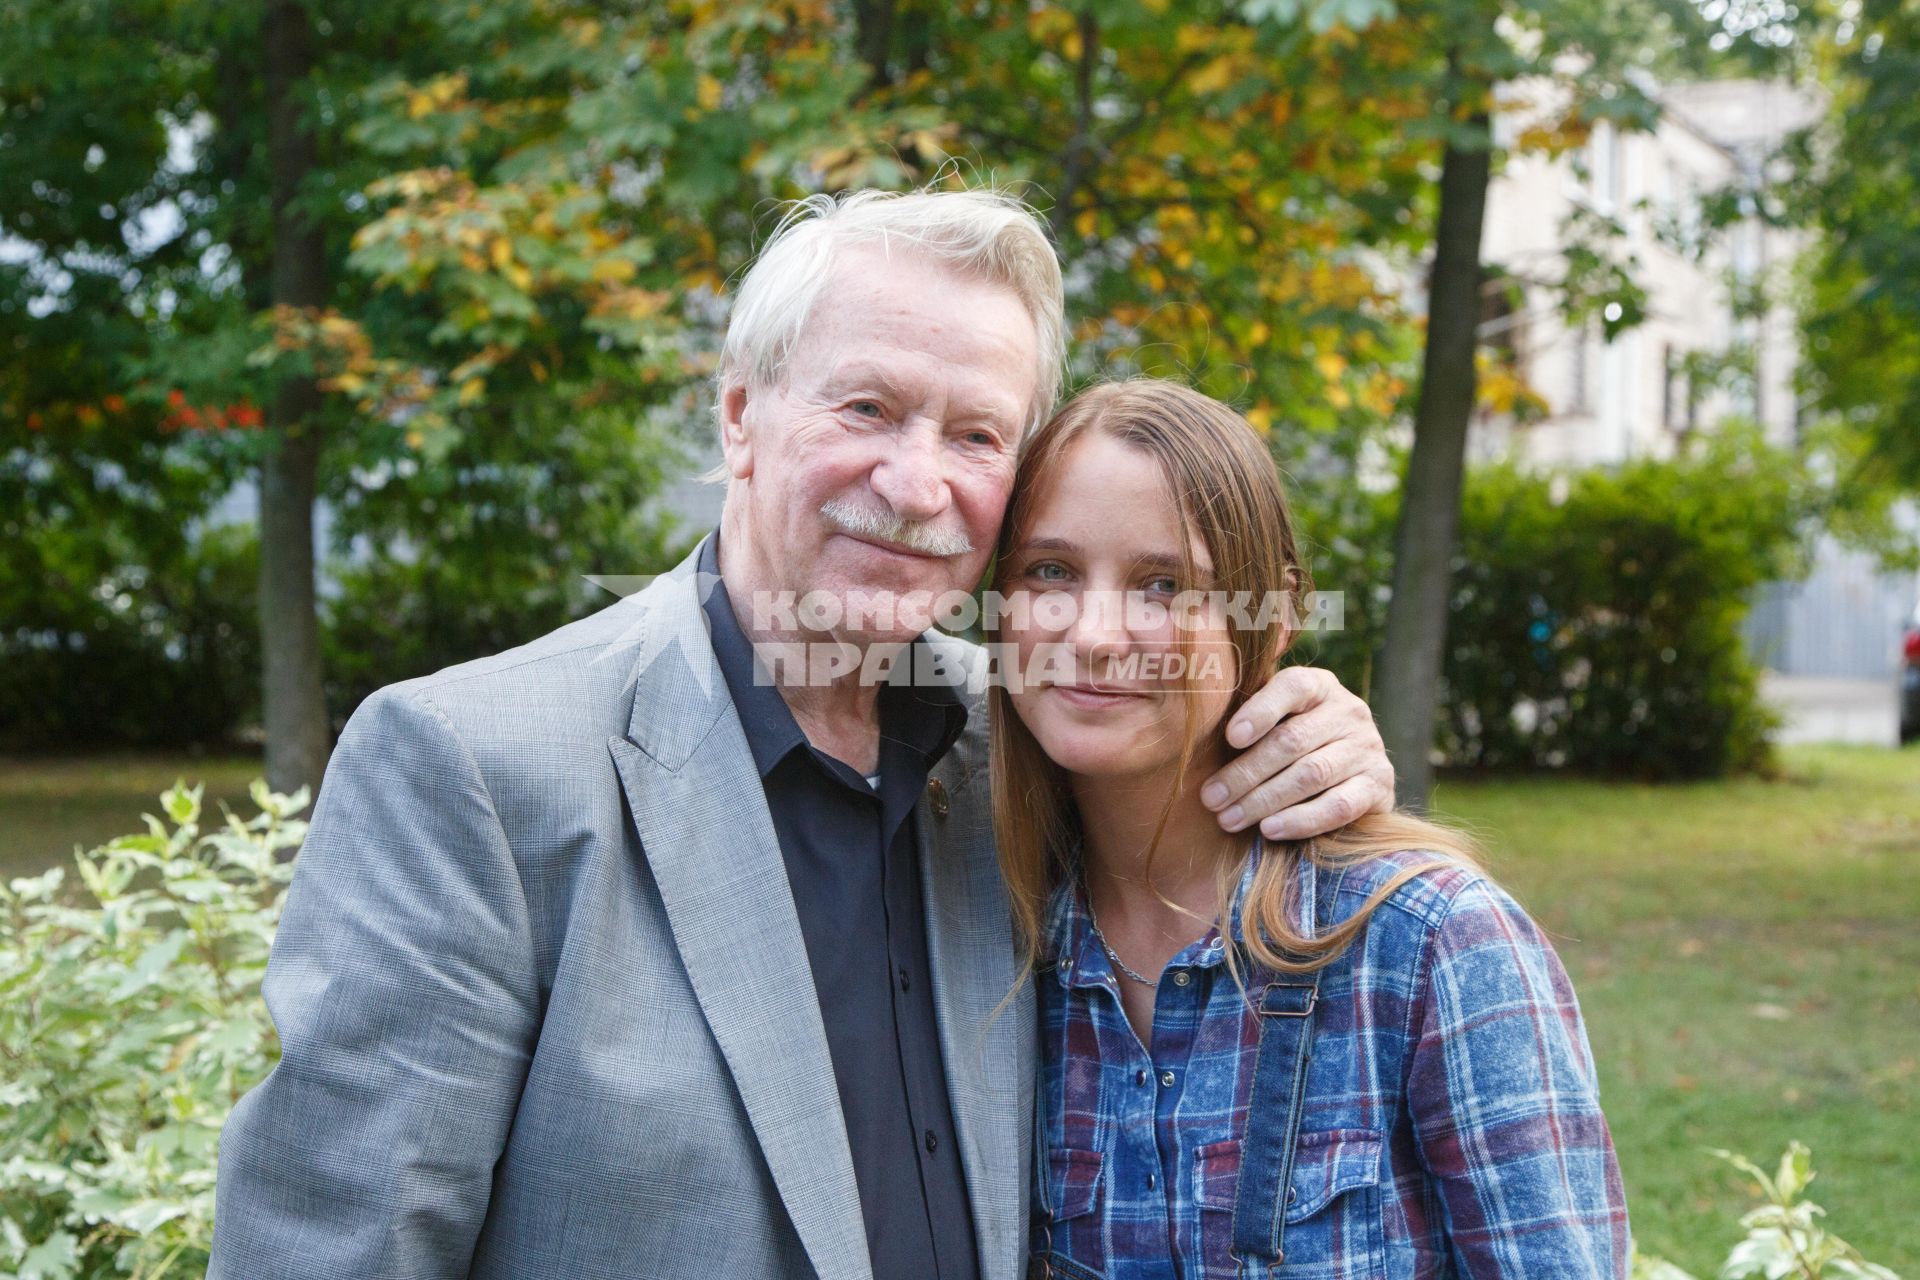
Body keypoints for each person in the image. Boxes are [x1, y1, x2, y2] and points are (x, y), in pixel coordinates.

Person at [208, 190, 1397, 1280]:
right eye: (868, 406)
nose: (917, 483)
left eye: (977, 436)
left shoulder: (1027, 739)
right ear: (739, 415)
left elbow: (1193, 766)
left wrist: (1302, 736)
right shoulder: (473, 766)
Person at [989, 380, 1629, 1279]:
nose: (1094, 634)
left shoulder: (1432, 945)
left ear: (1277, 614)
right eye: (1049, 571)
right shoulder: (987, 934)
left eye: (1164, 584)